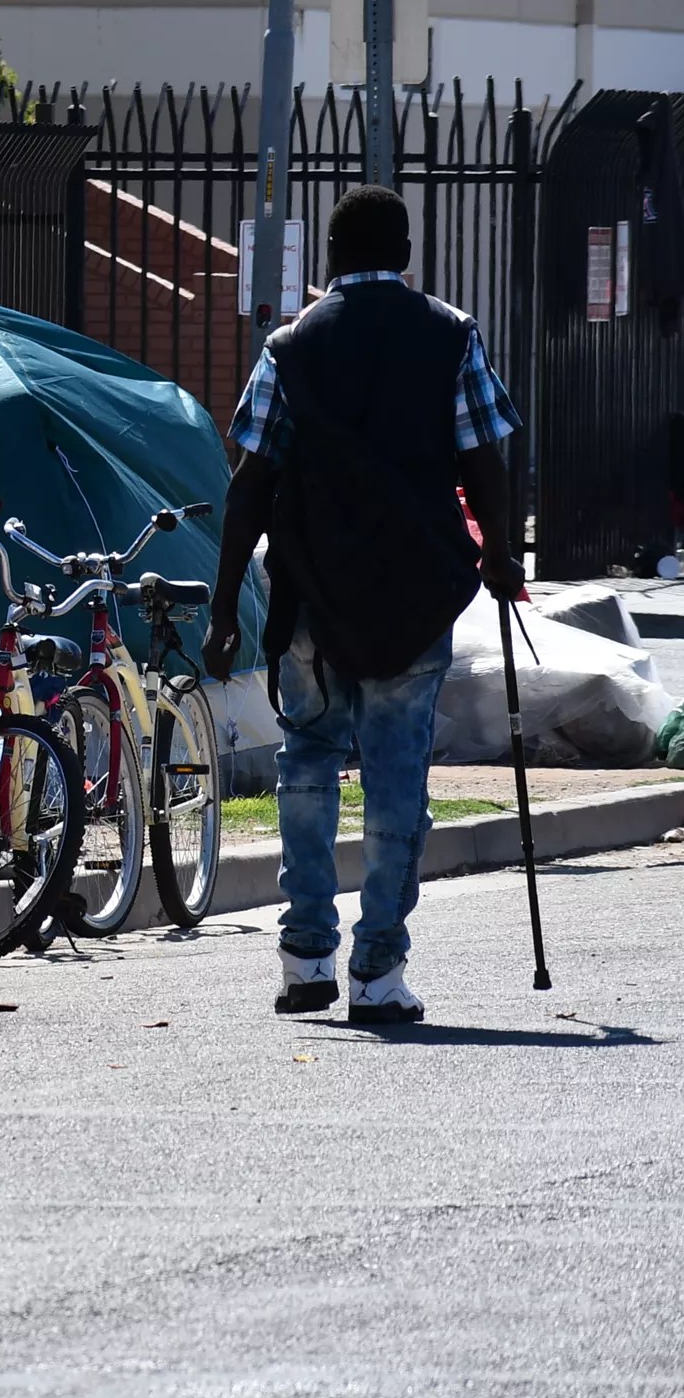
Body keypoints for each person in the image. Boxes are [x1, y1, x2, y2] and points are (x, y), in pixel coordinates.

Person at [203, 185, 522, 1028]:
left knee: (307, 759)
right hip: (414, 595)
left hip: (311, 589)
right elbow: (485, 459)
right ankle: (378, 970)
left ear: (332, 258)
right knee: (395, 777)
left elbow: (252, 481)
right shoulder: (451, 335)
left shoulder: (290, 346)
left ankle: (306, 956)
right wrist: (500, 553)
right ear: (407, 252)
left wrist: (225, 604)